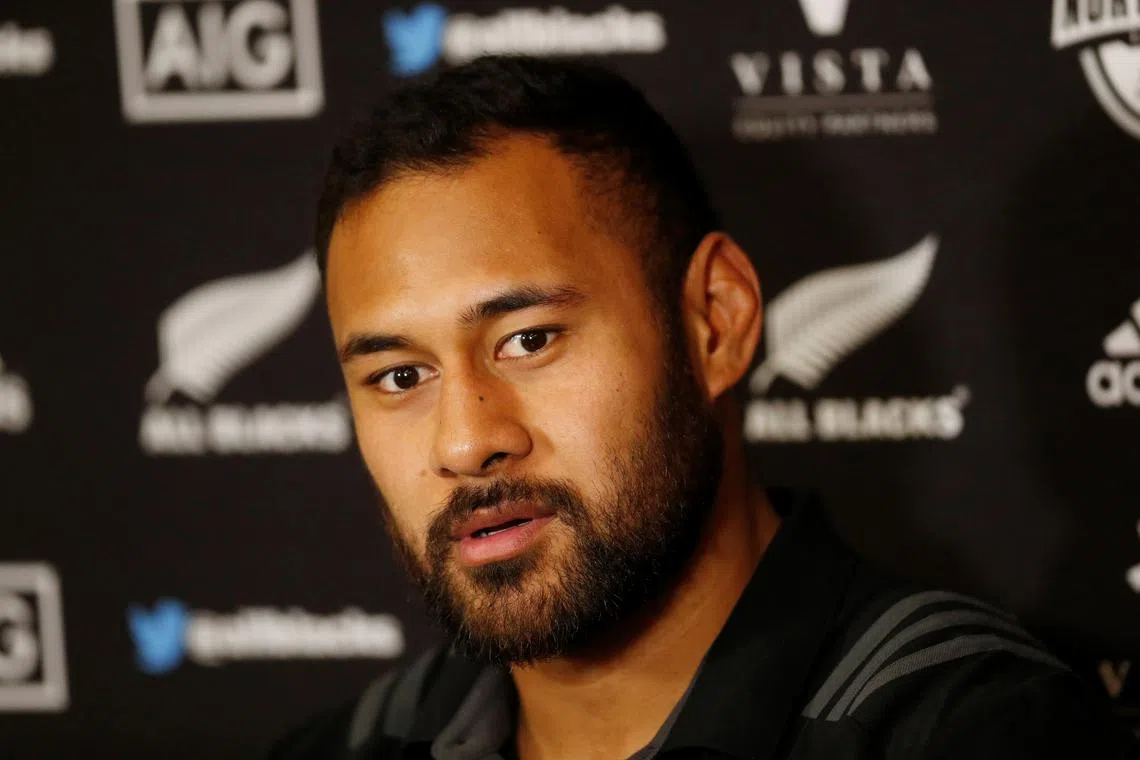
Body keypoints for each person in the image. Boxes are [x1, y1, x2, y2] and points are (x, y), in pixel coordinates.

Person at [270, 56, 1132, 760]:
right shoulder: (350, 747)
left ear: (716, 321)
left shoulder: (970, 732)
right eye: (399, 377)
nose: (465, 442)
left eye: (529, 340)